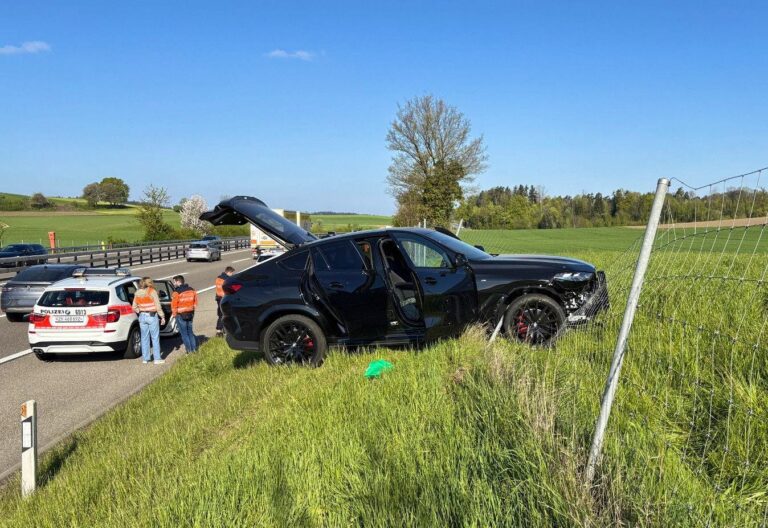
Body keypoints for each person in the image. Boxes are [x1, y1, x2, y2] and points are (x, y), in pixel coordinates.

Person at [132, 277, 165, 364]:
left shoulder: (137, 293)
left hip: (142, 317)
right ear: (149, 283)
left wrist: (140, 311)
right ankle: (157, 358)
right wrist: (162, 316)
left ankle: (146, 358)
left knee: (144, 338)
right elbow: (158, 306)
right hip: (152, 316)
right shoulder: (152, 291)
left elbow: (134, 307)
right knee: (155, 338)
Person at [171, 275, 198, 353]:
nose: (174, 283)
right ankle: (194, 350)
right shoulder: (192, 290)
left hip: (180, 315)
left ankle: (189, 351)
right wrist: (192, 311)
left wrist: (175, 315)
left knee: (184, 334)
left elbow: (173, 305)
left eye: (174, 281)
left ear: (178, 282)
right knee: (190, 332)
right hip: (190, 314)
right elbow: (195, 303)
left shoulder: (176, 292)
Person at [214, 266, 235, 337]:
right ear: (229, 272)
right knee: (226, 315)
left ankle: (218, 330)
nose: (232, 274)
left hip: (218, 298)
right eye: (232, 273)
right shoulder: (227, 280)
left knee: (220, 314)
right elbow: (231, 290)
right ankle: (226, 331)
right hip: (225, 299)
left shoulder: (218, 278)